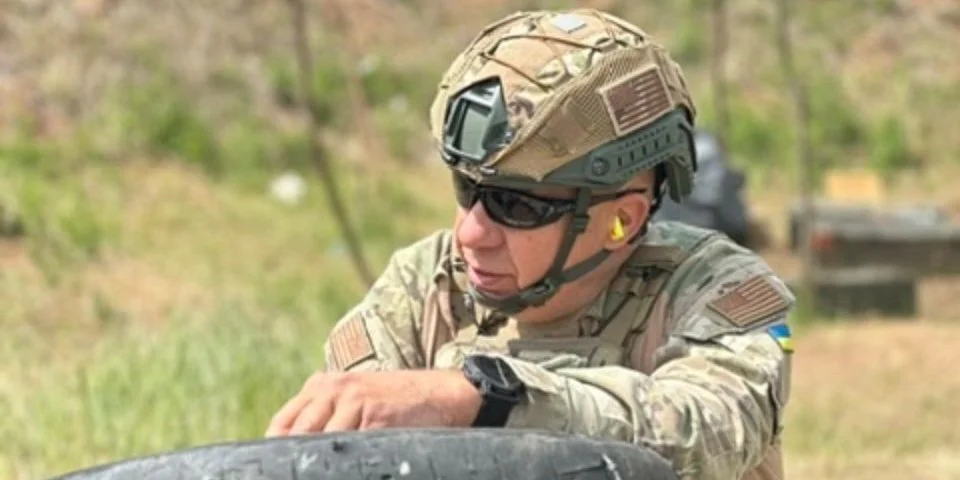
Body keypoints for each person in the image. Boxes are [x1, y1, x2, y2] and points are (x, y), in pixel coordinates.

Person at [265, 8, 795, 480]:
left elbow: (706, 433)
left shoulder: (713, 290)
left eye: (516, 206)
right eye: (467, 190)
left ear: (621, 221)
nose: (471, 232)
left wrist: (485, 398)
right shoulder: (426, 284)